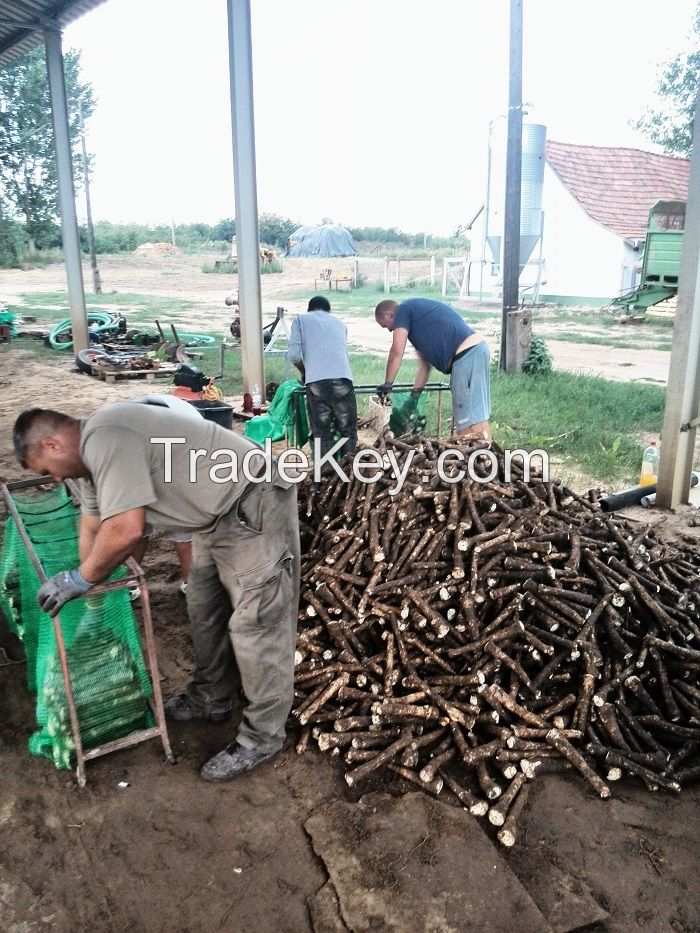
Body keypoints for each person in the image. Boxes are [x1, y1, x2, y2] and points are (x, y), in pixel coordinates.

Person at [12, 398, 300, 782]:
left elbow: (126, 530)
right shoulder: (90, 468)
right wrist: (94, 602)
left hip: (252, 499)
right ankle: (210, 698)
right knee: (203, 608)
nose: (57, 480)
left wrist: (78, 579)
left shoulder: (106, 436)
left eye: (49, 471)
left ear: (52, 445)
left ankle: (263, 737)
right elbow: (97, 531)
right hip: (213, 517)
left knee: (256, 624)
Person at [374, 297, 491, 440]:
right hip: (473, 351)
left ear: (389, 315)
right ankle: (481, 455)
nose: (390, 330)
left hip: (466, 354)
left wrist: (388, 383)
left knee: (470, 418)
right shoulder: (417, 321)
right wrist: (413, 398)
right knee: (470, 415)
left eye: (385, 326)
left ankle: (481, 456)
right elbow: (425, 366)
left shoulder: (403, 310)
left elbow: (396, 351)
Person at [287, 295, 357, 465]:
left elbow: (294, 355)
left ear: (309, 309)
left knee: (321, 433)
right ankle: (350, 476)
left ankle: (325, 477)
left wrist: (305, 372)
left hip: (316, 383)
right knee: (347, 430)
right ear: (328, 311)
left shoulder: (300, 320)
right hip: (343, 380)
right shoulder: (340, 324)